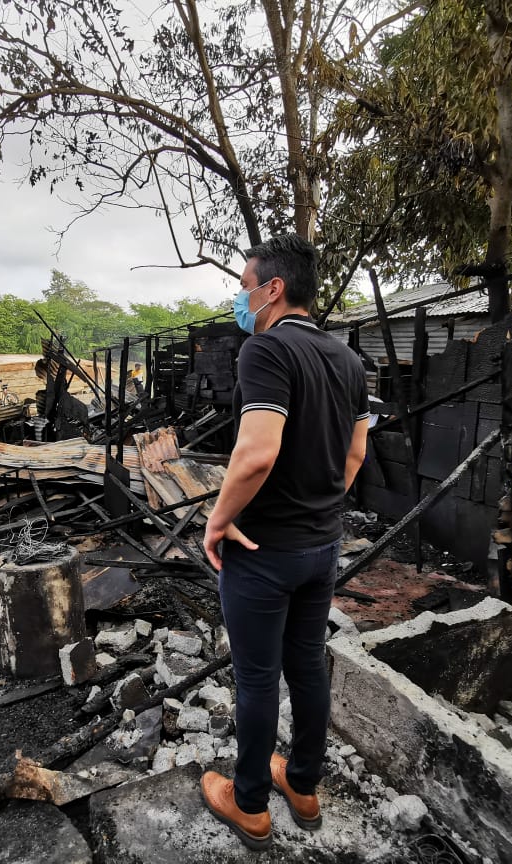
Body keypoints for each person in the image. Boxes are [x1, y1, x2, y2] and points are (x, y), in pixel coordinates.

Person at [200, 234, 369, 850]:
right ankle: (302, 786)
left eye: (246, 287)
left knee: (256, 678)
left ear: (273, 289)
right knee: (306, 667)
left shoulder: (265, 350)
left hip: (262, 552)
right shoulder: (351, 362)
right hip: (322, 548)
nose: (242, 301)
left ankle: (248, 805)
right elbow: (356, 453)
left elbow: (256, 454)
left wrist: (217, 521)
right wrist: (320, 509)